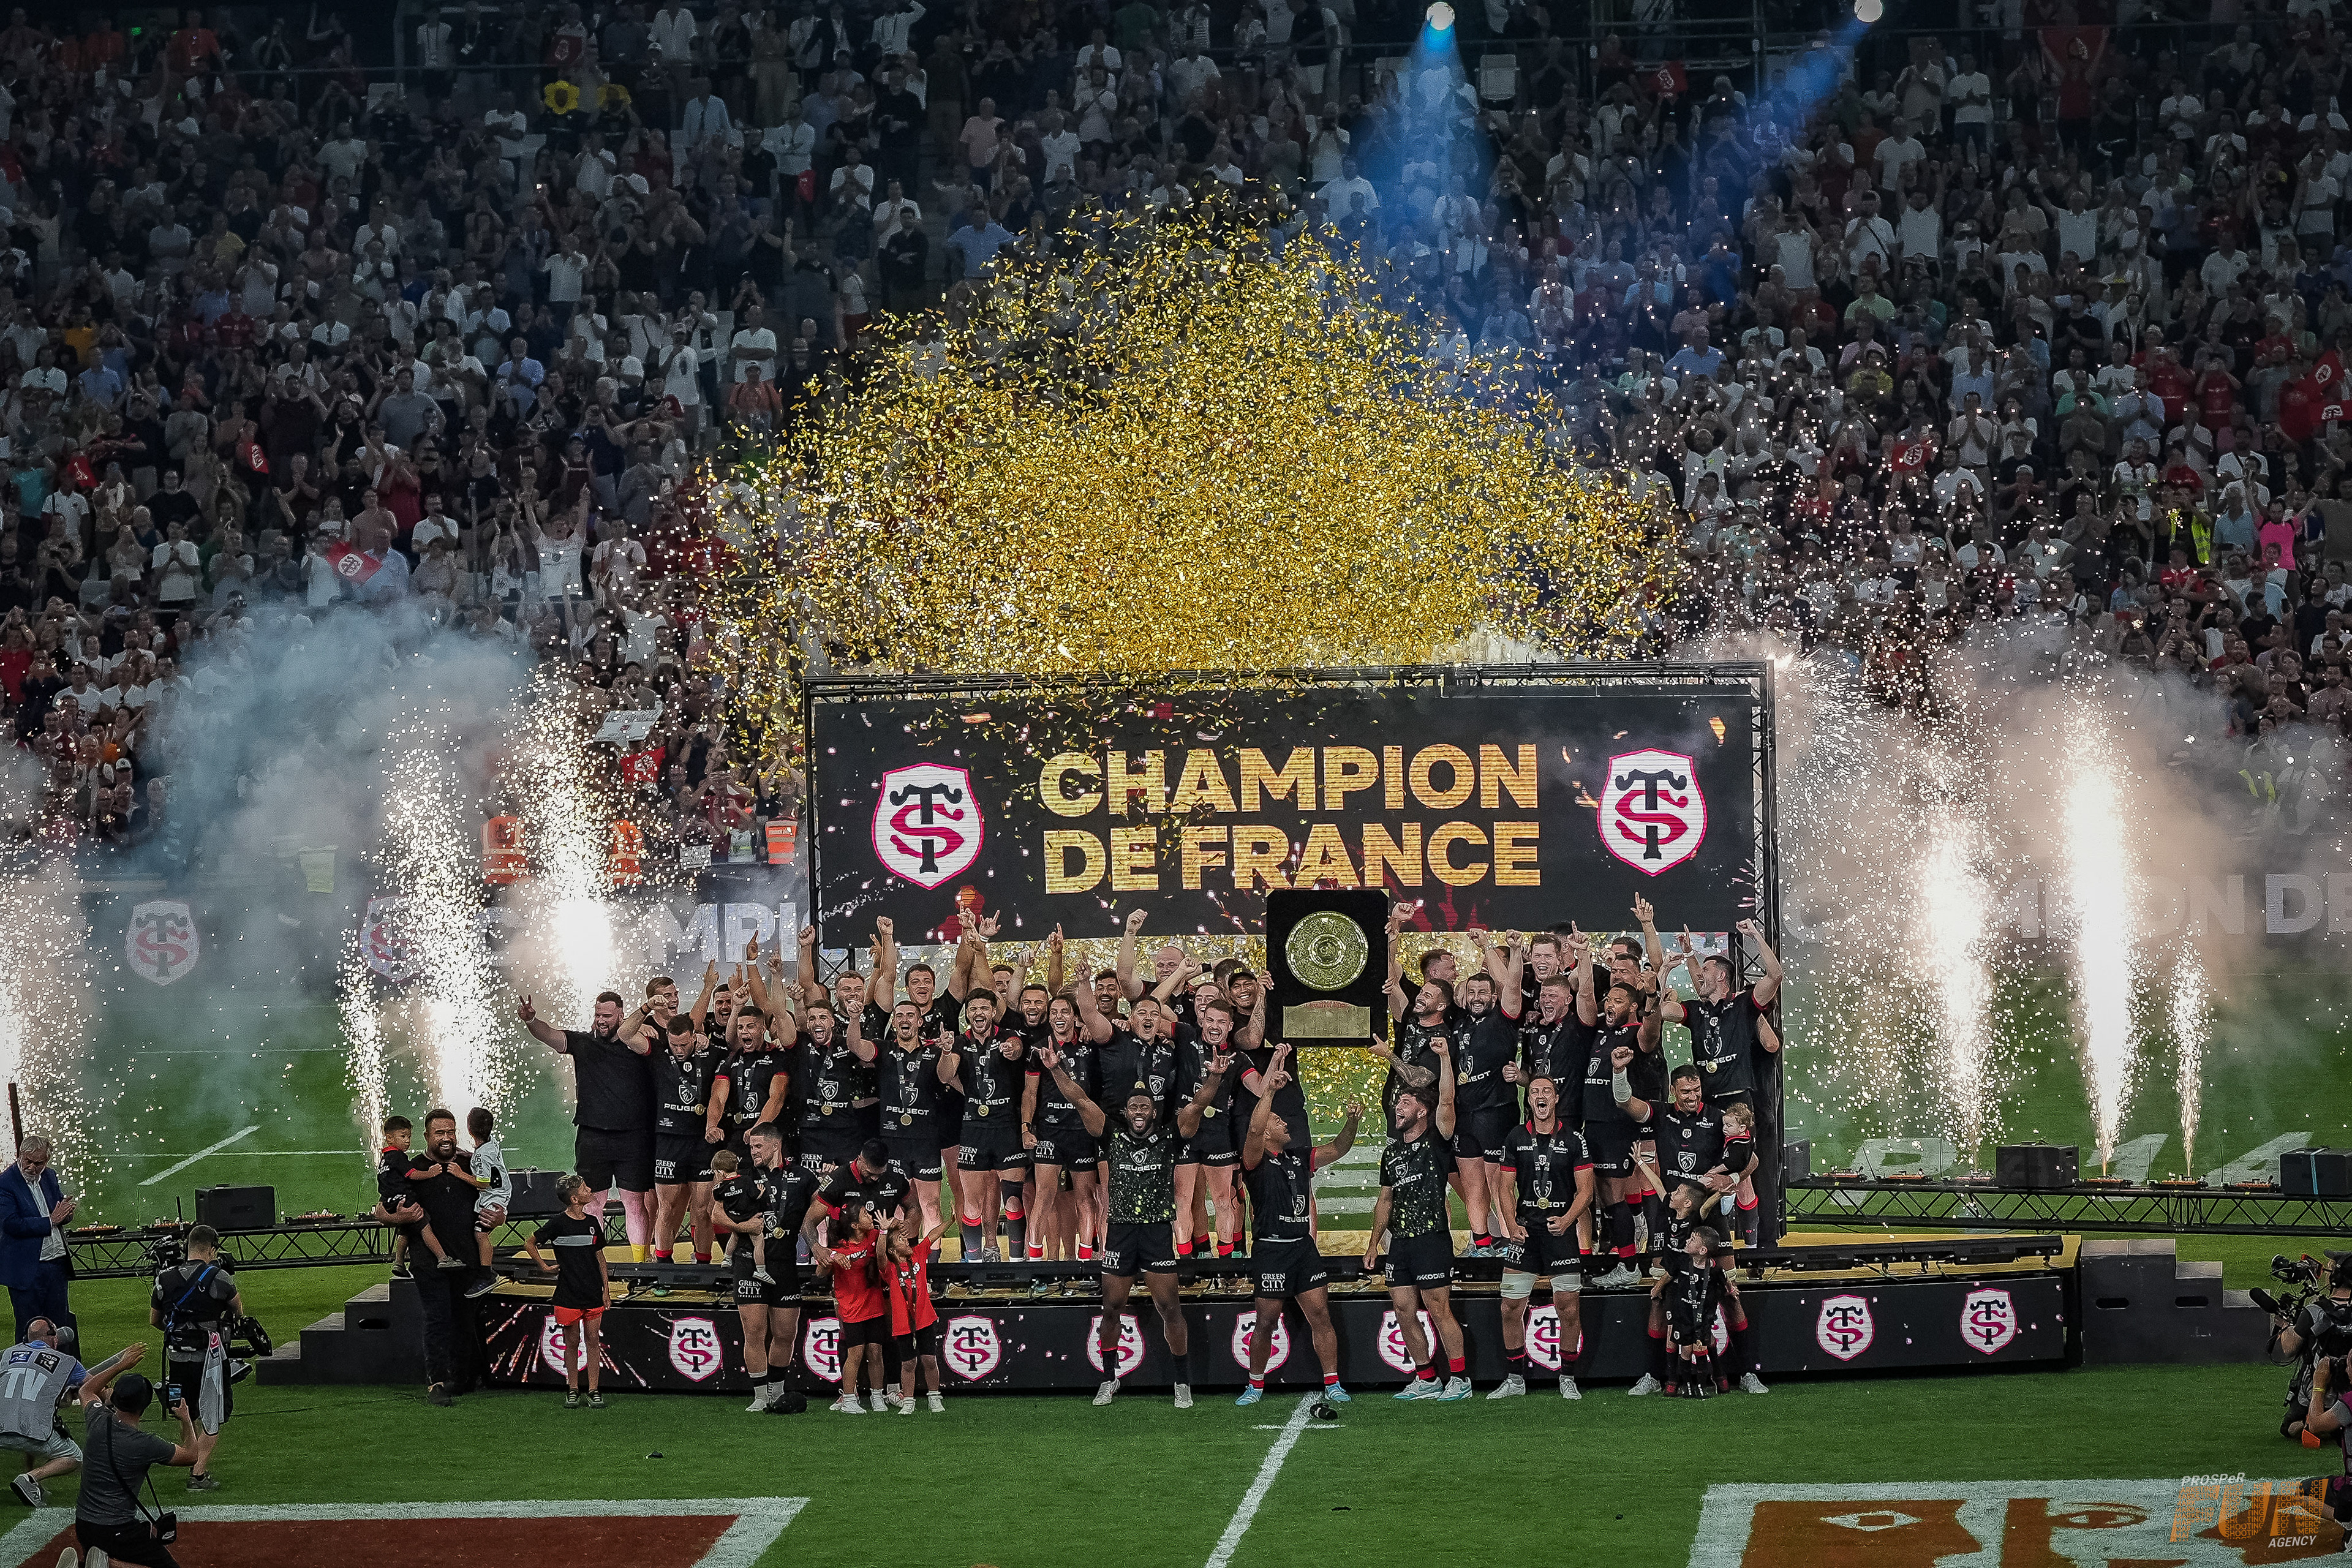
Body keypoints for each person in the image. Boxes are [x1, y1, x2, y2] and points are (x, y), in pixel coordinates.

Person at [1038, 1035, 1232, 1409]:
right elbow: (1079, 1099)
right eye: (1133, 1106)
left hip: (1158, 1231)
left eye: (1145, 1104)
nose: (1139, 1109)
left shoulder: (1169, 1136)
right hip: (1122, 1232)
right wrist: (1056, 1069)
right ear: (1125, 1113)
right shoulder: (1110, 1134)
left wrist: (1214, 1080)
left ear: (1154, 1112)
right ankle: (1109, 1379)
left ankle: (1182, 1382)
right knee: (1110, 1309)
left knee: (1170, 1308)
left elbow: (1198, 1107)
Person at [1234, 1044, 1359, 1406]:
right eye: (1278, 1120)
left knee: (1321, 1314)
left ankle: (1333, 1383)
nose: (1286, 1123)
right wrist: (1269, 1090)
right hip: (1272, 1248)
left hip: (1302, 1248)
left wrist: (1351, 1120)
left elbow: (1338, 1149)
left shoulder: (1299, 1158)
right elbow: (1256, 1127)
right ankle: (1255, 1385)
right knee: (1266, 1321)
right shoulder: (1254, 1159)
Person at [1365, 1039, 1470, 1401]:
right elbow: (1385, 1199)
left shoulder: (1437, 1139)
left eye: (1405, 1103)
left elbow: (1447, 1101)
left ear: (1423, 1112)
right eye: (1398, 1102)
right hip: (1401, 1244)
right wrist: (1373, 1242)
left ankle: (1460, 1378)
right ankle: (1426, 1378)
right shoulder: (1391, 1152)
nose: (1398, 1107)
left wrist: (1443, 1057)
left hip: (1431, 1238)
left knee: (1439, 1309)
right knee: (1403, 1309)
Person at [516, 991, 657, 1257]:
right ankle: (594, 1261)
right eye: (597, 1015)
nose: (601, 1021)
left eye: (607, 1015)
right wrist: (531, 1021)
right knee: (592, 1203)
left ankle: (641, 1264)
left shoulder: (637, 1044)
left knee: (635, 1203)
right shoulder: (583, 1042)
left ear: (621, 1015)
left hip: (634, 1137)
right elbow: (551, 1035)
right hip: (592, 1136)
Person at [1491, 1072, 1596, 1400]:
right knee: (1510, 1307)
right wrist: (1510, 1225)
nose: (1540, 1096)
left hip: (1560, 1233)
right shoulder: (1515, 1137)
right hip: (1525, 1234)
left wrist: (1567, 1220)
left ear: (1555, 1098)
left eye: (1546, 1091)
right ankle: (1515, 1379)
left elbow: (1587, 1189)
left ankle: (1567, 1377)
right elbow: (1504, 1186)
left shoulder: (1575, 1139)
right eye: (1534, 1091)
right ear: (1529, 1099)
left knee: (1568, 1307)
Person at [725, 1120, 820, 1414]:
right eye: (751, 1147)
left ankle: (776, 1392)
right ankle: (759, 1396)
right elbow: (713, 1212)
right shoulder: (743, 1177)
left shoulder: (803, 1177)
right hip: (748, 1262)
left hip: (785, 1264)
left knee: (784, 1334)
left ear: (775, 1146)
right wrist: (738, 1224)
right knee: (754, 1331)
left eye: (758, 1146)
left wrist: (817, 1244)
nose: (752, 1152)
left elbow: (820, 1209)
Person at [65, 1370, 203, 1568]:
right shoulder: (146, 1444)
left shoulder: (97, 1419)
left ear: (114, 1398)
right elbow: (192, 1456)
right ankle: (107, 1564)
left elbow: (86, 1390)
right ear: (143, 1407)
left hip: (85, 1527)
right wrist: (186, 1418)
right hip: (117, 1531)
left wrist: (121, 1364)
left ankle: (87, 1564)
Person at [0, 1322, 145, 1508]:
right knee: (74, 1456)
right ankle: (31, 1478)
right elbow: (94, 1387)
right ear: (53, 1338)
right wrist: (112, 1388)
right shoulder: (66, 1362)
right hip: (31, 1430)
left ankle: (31, 1481)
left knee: (32, 1419)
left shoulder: (6, 1354)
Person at [402, 1110, 488, 1407]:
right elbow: (383, 1208)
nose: (446, 1138)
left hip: (467, 1259)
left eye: (450, 1132)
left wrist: (499, 1213)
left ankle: (463, 1378)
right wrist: (393, 1215)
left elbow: (496, 1193)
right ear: (427, 1137)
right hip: (430, 1262)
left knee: (466, 1320)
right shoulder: (413, 1170)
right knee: (438, 1319)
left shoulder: (468, 1164)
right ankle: (436, 1383)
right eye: (439, 1133)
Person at [146, 1224, 240, 1490]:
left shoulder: (163, 1278)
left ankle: (190, 1457)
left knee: (185, 1411)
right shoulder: (220, 1277)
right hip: (209, 1360)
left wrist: (179, 1331)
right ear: (212, 1248)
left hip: (177, 1359)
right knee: (214, 1414)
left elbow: (154, 1320)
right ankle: (198, 1474)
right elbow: (238, 1311)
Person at [524, 1173, 611, 1409]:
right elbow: (530, 1242)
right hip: (568, 1294)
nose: (590, 1189)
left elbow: (600, 1258)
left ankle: (593, 1390)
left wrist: (606, 1291)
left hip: (593, 1292)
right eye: (585, 1188)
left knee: (593, 1341)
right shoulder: (558, 1224)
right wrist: (543, 1266)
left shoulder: (593, 1222)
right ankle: (572, 1389)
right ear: (574, 1199)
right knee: (571, 1343)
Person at [648, 1012, 723, 1272]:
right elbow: (625, 1034)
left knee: (703, 1209)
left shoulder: (712, 1053)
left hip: (702, 1142)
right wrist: (647, 1009)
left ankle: (703, 1265)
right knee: (666, 1208)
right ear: (667, 1036)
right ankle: (663, 1266)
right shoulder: (658, 1053)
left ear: (695, 1036)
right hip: (668, 1141)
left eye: (685, 1044)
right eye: (675, 1044)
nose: (679, 1050)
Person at [813, 1199, 895, 1414]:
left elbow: (890, 1241)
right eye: (865, 1216)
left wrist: (889, 1228)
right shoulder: (839, 1248)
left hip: (874, 1304)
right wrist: (832, 1258)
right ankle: (849, 1398)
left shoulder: (875, 1238)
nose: (870, 1218)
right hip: (851, 1309)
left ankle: (877, 1396)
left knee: (876, 1352)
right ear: (855, 1226)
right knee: (855, 1354)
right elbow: (820, 1274)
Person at [0, 1135, 75, 1347]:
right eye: (28, 1161)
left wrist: (66, 1213)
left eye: (38, 1163)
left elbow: (58, 1210)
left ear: (47, 1161)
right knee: (29, 1327)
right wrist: (51, 1221)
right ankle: (25, 1373)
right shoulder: (5, 1183)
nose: (32, 1167)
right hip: (27, 1269)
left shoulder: (50, 1176)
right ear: (20, 1155)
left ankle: (64, 1375)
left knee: (58, 1326)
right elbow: (11, 1224)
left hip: (56, 1265)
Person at [375, 1115, 456, 1279]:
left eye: (409, 1137)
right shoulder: (399, 1157)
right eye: (403, 1136)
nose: (407, 1141)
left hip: (392, 1201)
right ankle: (442, 1258)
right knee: (424, 1226)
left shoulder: (384, 1160)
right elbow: (412, 1175)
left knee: (405, 1231)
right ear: (389, 1138)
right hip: (405, 1200)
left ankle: (398, 1261)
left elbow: (384, 1184)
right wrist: (430, 1173)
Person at [888, 1215, 950, 1412]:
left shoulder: (918, 1253)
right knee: (908, 1363)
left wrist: (951, 1221)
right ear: (892, 1250)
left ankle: (934, 1397)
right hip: (902, 1321)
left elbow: (931, 1236)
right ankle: (908, 1401)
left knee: (929, 1360)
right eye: (900, 1240)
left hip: (924, 1318)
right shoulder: (889, 1267)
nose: (906, 1241)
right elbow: (880, 1254)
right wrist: (884, 1231)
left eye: (905, 1238)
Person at [462, 1107, 512, 1284]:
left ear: (469, 1129)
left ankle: (486, 1274)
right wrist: (469, 1155)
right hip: (500, 1193)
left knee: (480, 1234)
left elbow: (483, 1182)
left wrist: (459, 1173)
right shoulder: (490, 1143)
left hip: (494, 1196)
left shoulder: (482, 1155)